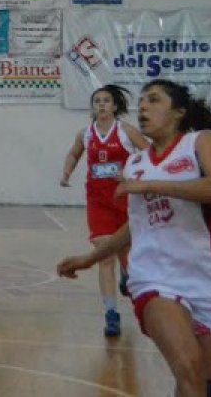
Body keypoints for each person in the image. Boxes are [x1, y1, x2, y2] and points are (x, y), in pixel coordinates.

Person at [58, 79, 211, 397]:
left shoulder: (199, 143)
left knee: (203, 380)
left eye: (154, 100)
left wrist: (150, 186)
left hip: (202, 276)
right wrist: (91, 257)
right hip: (153, 276)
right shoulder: (136, 164)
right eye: (141, 101)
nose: (143, 106)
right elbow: (136, 224)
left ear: (178, 113)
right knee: (189, 367)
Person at [60, 84, 148, 336]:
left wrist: (132, 173)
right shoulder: (85, 134)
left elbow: (151, 156)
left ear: (115, 106)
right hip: (98, 202)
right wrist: (66, 173)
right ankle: (111, 313)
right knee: (104, 255)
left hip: (126, 201)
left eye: (106, 100)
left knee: (127, 255)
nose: (101, 105)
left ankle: (128, 278)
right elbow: (74, 154)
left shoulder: (127, 131)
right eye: (97, 101)